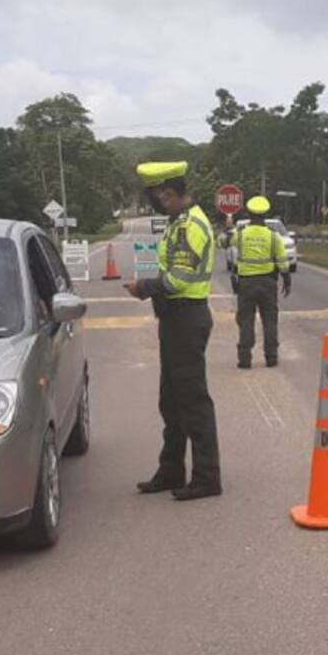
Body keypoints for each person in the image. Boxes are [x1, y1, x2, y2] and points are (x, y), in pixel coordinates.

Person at [123, 162, 222, 501]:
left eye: (161, 196)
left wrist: (143, 287)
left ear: (174, 194)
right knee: (171, 400)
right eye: (156, 196)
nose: (158, 202)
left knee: (193, 401)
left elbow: (179, 279)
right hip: (175, 319)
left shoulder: (189, 226)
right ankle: (171, 470)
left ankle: (207, 477)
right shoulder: (178, 222)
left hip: (186, 318)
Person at [232, 196, 291, 369]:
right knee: (270, 320)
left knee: (246, 320)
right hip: (267, 282)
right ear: (265, 215)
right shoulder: (273, 237)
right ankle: (271, 357)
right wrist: (286, 279)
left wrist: (228, 228)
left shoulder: (240, 235)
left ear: (249, 214)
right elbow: (282, 260)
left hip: (246, 283)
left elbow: (222, 242)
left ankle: (244, 358)